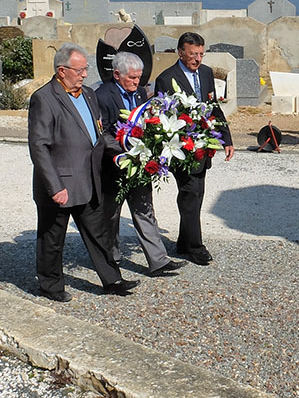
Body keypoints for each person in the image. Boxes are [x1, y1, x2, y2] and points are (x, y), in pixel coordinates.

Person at [29, 43, 138, 302]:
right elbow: (39, 147)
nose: (85, 74)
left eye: (85, 69)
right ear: (61, 71)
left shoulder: (88, 94)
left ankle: (112, 280)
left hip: (88, 179)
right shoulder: (44, 98)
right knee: (52, 238)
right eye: (79, 70)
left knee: (98, 233)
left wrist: (125, 154)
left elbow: (98, 136)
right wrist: (54, 187)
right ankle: (51, 286)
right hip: (60, 185)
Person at [97, 51, 186, 276]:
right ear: (117, 75)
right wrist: (126, 152)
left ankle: (158, 261)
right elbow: (102, 132)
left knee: (145, 211)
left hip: (139, 165)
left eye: (139, 78)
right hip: (114, 166)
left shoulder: (138, 94)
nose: (137, 83)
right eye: (132, 78)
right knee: (111, 215)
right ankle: (111, 258)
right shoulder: (102, 96)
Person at [154, 32, 234, 265]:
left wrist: (225, 138)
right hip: (182, 147)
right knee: (190, 193)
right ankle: (195, 247)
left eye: (200, 54)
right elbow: (162, 117)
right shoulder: (167, 79)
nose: (197, 59)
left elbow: (213, 106)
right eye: (192, 54)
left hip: (204, 145)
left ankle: (184, 241)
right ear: (181, 53)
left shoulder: (207, 73)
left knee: (196, 193)